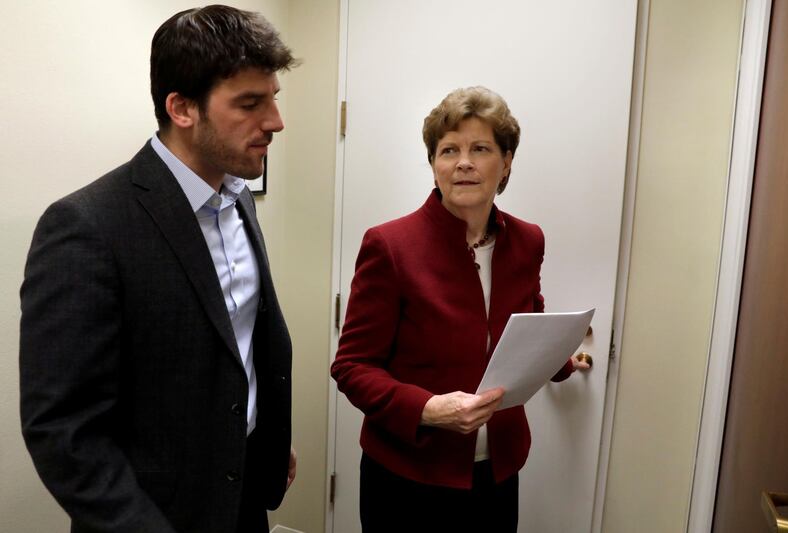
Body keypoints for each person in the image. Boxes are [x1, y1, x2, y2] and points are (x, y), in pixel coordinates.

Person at [19, 6, 298, 533]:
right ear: (182, 108)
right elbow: (63, 430)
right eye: (249, 103)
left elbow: (236, 342)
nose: (275, 122)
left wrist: (261, 437)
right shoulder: (85, 227)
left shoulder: (238, 200)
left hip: (243, 500)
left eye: (274, 99)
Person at [330, 86, 591, 532]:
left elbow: (524, 328)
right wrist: (430, 409)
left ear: (506, 162)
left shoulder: (528, 241)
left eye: (481, 148)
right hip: (407, 476)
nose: (463, 162)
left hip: (497, 471)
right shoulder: (390, 246)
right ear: (434, 165)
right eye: (449, 149)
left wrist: (561, 361)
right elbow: (353, 367)